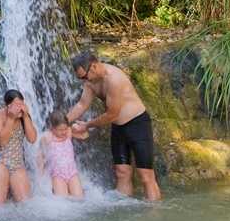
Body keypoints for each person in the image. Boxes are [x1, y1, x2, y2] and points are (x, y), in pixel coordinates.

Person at [67, 51, 162, 201]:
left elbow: (112, 114)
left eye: (84, 76)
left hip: (138, 125)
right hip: (119, 129)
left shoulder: (114, 79)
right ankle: (124, 211)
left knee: (145, 175)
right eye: (80, 78)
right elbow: (82, 104)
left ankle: (155, 214)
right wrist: (63, 122)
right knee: (121, 172)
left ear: (94, 66)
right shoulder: (90, 82)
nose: (83, 80)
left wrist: (87, 125)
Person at [0, 88, 37, 204]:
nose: (20, 107)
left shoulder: (24, 117)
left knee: (26, 204)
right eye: (16, 104)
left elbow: (32, 139)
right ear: (7, 105)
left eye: (22, 104)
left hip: (17, 163)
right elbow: (3, 142)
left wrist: (25, 117)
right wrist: (11, 118)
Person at [38, 110, 87, 199]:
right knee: (62, 201)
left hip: (72, 173)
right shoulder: (47, 138)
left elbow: (85, 135)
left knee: (80, 199)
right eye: (60, 130)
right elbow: (41, 157)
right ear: (52, 128)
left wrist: (81, 128)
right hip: (57, 175)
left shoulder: (69, 132)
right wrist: (41, 175)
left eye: (65, 129)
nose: (63, 132)